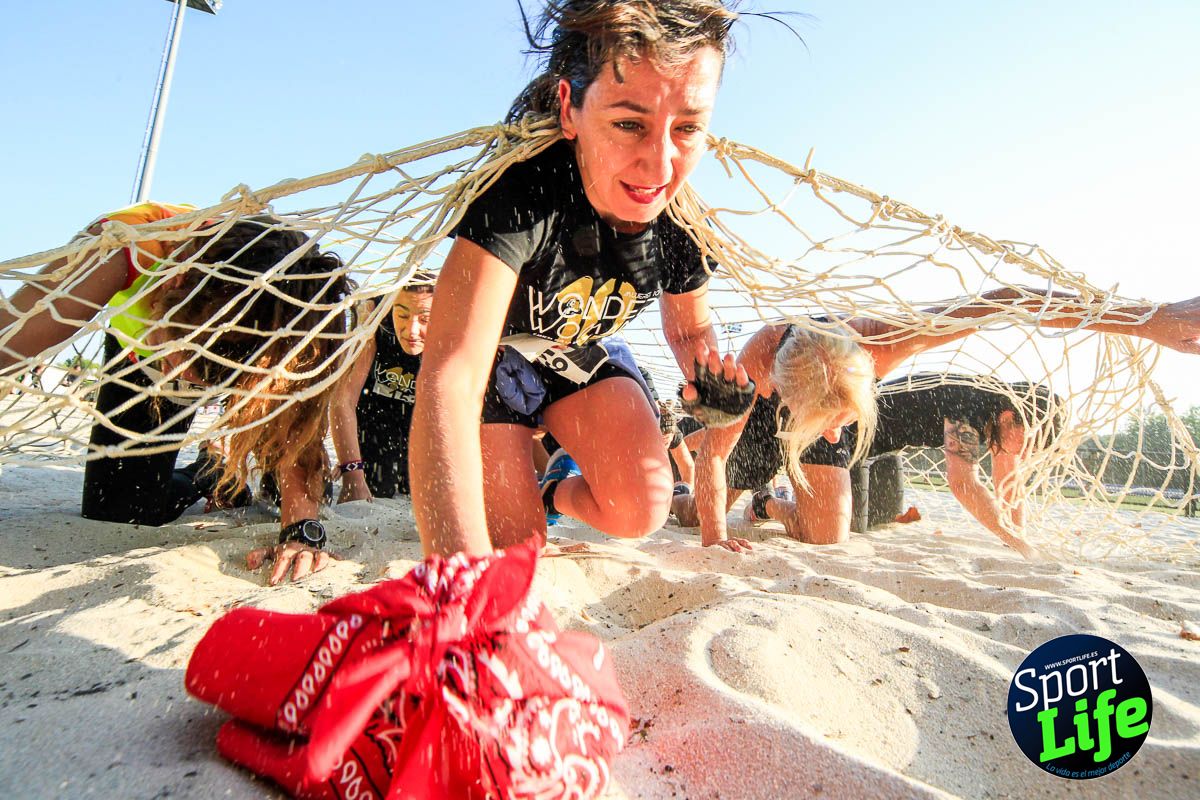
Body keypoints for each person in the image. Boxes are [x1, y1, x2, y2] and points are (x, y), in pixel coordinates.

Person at [410, 0, 758, 557]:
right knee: (517, 545)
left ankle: (556, 487)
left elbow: (690, 332)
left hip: (577, 355)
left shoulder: (683, 223)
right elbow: (451, 376)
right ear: (569, 109)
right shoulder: (521, 193)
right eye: (628, 123)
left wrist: (710, 382)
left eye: (688, 127)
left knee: (642, 509)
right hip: (499, 364)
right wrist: (456, 574)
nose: (660, 164)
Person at [681, 288, 1200, 556]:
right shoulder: (757, 361)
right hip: (764, 417)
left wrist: (1148, 319)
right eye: (828, 422)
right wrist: (713, 538)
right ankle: (682, 484)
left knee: (830, 532)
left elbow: (1006, 301)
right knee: (699, 510)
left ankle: (793, 494)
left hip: (834, 393)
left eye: (841, 421)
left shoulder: (886, 340)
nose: (835, 432)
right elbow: (715, 454)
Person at [0, 201, 350, 583]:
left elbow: (299, 416)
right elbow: (8, 345)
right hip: (138, 357)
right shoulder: (125, 247)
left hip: (253, 359)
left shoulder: (293, 314)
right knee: (120, 508)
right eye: (183, 356)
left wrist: (301, 531)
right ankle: (212, 470)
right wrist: (172, 353)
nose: (186, 379)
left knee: (299, 493)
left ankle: (254, 459)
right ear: (176, 282)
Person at [329, 271, 435, 503]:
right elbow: (342, 401)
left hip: (418, 421)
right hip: (374, 416)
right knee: (378, 486)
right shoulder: (372, 314)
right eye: (402, 316)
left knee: (420, 488)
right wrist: (352, 473)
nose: (412, 331)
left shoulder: (454, 325)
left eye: (425, 319)